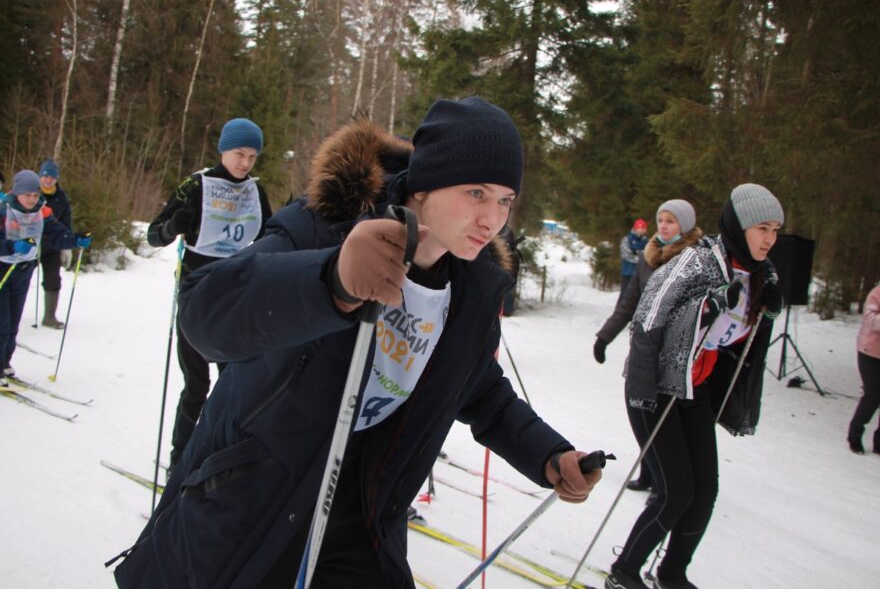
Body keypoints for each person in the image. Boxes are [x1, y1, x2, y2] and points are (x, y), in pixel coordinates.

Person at [112, 97, 603, 589]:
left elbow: (478, 390)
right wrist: (330, 281)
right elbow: (206, 314)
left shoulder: (472, 289)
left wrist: (548, 455)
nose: (492, 219)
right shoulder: (327, 223)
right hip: (257, 500)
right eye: (476, 192)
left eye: (504, 200)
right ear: (426, 182)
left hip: (364, 520)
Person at [605, 183, 785, 589]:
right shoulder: (696, 264)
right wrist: (707, 306)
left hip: (697, 390)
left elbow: (740, 343)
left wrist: (769, 309)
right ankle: (624, 572)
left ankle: (672, 573)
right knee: (676, 491)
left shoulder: (763, 274)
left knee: (705, 491)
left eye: (775, 230)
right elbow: (648, 321)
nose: (769, 239)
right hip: (658, 390)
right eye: (762, 228)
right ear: (740, 226)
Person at [146, 117, 272, 475]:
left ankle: (216, 456)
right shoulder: (196, 185)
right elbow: (154, 234)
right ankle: (178, 462)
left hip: (233, 295)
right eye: (238, 154)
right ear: (223, 149)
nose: (245, 163)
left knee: (232, 382)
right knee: (197, 385)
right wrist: (173, 227)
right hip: (195, 295)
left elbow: (271, 237)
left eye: (252, 156)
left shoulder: (254, 192)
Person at [594, 199, 702, 493]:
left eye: (671, 221)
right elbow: (630, 302)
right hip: (644, 349)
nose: (664, 226)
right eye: (661, 220)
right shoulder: (648, 256)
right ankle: (650, 471)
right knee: (640, 408)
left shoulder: (694, 260)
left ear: (685, 225)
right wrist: (604, 336)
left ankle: (666, 477)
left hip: (675, 352)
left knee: (663, 416)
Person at [0, 171, 91, 387]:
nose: (32, 199)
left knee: (13, 322)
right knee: (1, 323)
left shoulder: (42, 211)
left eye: (35, 194)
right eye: (27, 195)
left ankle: (5, 362)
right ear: (17, 193)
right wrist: (11, 246)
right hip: (3, 268)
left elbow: (58, 234)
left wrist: (75, 239)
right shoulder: (3, 210)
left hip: (23, 270)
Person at [35, 159, 74, 329]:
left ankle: (49, 317)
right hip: (30, 245)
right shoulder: (31, 193)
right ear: (40, 176)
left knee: (53, 280)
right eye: (45, 176)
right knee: (17, 280)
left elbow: (66, 222)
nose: (48, 180)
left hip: (52, 246)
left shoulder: (61, 198)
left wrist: (66, 245)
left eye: (52, 177)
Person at [847, 283, 880, 455]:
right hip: (870, 353)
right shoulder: (876, 293)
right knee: (873, 395)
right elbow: (870, 319)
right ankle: (855, 435)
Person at [619, 218, 648, 300]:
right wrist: (639, 259)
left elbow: (648, 254)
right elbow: (626, 254)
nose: (644, 230)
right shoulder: (627, 239)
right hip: (628, 272)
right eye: (642, 228)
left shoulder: (645, 240)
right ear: (637, 228)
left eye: (645, 229)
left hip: (640, 273)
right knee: (625, 294)